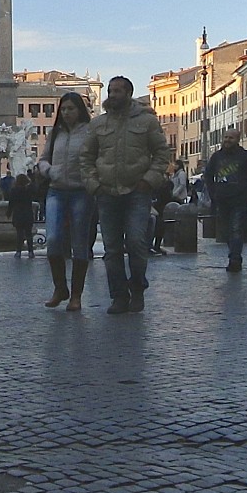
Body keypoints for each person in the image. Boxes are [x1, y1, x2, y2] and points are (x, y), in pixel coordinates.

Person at [88, 76, 171, 314]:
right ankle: (118, 296)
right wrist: (94, 184)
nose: (111, 95)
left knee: (136, 242)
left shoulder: (147, 122)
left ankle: (137, 289)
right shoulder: (98, 124)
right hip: (106, 192)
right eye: (110, 91)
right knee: (112, 249)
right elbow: (86, 158)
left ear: (128, 93)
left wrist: (149, 180)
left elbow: (162, 155)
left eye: (116, 91)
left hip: (137, 191)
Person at [37, 91, 97, 309]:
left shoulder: (90, 133)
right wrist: (49, 170)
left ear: (79, 110)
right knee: (53, 239)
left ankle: (76, 296)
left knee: (79, 242)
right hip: (56, 190)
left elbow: (96, 159)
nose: (66, 112)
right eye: (63, 109)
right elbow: (43, 159)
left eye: (71, 108)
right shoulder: (55, 134)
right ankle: (60, 288)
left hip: (81, 191)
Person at [201, 130, 247, 273]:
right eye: (226, 137)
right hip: (222, 200)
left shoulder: (245, 157)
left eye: (231, 138)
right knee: (226, 231)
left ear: (237, 139)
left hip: (239, 200)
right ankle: (234, 255)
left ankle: (235, 258)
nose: (227, 140)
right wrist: (213, 193)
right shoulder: (217, 156)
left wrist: (246, 192)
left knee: (236, 229)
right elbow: (208, 175)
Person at [8, 165, 45, 257]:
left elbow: (11, 203)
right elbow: (37, 192)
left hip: (18, 214)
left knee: (19, 234)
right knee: (28, 234)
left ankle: (18, 251)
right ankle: (30, 252)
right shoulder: (28, 190)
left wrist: (9, 213)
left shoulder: (14, 190)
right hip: (28, 214)